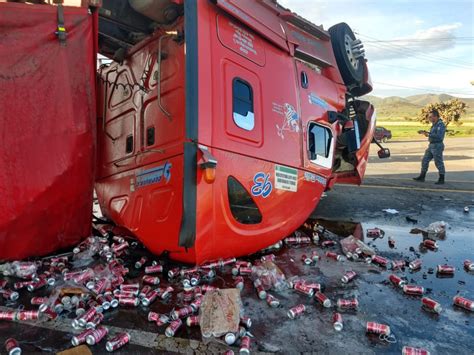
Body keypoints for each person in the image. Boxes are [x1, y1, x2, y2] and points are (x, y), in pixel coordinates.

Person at [413, 109, 446, 184]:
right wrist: (425, 133)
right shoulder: (434, 124)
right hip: (431, 145)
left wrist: (429, 134)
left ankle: (441, 178)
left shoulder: (440, 125)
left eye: (431, 117)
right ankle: (422, 176)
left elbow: (439, 136)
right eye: (429, 117)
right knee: (425, 160)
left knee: (438, 162)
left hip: (437, 145)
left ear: (436, 116)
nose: (429, 119)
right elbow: (433, 134)